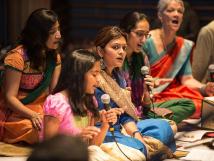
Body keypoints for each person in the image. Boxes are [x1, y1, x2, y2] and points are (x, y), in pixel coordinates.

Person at [94, 26, 176, 160]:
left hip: (122, 127)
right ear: (100, 51)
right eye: (115, 47)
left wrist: (136, 133)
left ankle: (139, 144)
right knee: (139, 150)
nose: (121, 52)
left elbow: (126, 114)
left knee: (166, 127)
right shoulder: (95, 78)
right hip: (104, 132)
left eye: (124, 48)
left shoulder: (118, 76)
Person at [42, 49, 125, 161]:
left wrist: (105, 124)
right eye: (94, 74)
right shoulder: (57, 102)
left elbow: (92, 146)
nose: (98, 81)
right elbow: (48, 147)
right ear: (78, 75)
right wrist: (75, 138)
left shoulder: (89, 101)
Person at [119, 11, 195, 124]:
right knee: (162, 124)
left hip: (142, 109)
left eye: (146, 35)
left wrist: (146, 92)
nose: (144, 40)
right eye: (139, 34)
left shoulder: (142, 57)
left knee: (189, 104)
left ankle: (153, 121)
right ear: (125, 33)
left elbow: (146, 105)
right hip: (123, 113)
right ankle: (156, 122)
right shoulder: (117, 59)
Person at [143, 0, 214, 118]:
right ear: (160, 15)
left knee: (202, 105)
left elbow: (187, 79)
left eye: (180, 11)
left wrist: (204, 88)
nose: (176, 14)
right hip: (150, 93)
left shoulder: (184, 45)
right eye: (170, 10)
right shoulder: (146, 41)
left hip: (172, 92)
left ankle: (162, 115)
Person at [0, 8, 61, 144]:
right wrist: (32, 115)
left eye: (58, 29)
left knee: (66, 126)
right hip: (17, 112)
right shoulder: (17, 57)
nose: (59, 35)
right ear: (38, 35)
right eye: (52, 32)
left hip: (42, 109)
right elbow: (10, 98)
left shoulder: (54, 58)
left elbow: (54, 94)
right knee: (43, 132)